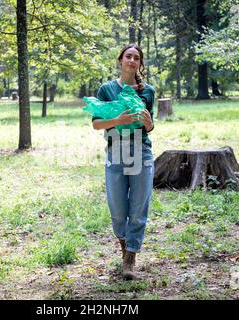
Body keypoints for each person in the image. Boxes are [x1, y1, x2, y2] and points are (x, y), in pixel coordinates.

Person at [92, 44, 155, 280]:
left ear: (140, 63)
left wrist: (147, 122)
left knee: (138, 208)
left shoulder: (147, 90)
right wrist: (118, 119)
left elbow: (150, 127)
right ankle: (123, 247)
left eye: (136, 57)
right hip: (116, 148)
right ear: (120, 60)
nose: (132, 60)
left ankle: (130, 258)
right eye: (128, 56)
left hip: (140, 148)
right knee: (118, 210)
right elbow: (96, 124)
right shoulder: (107, 89)